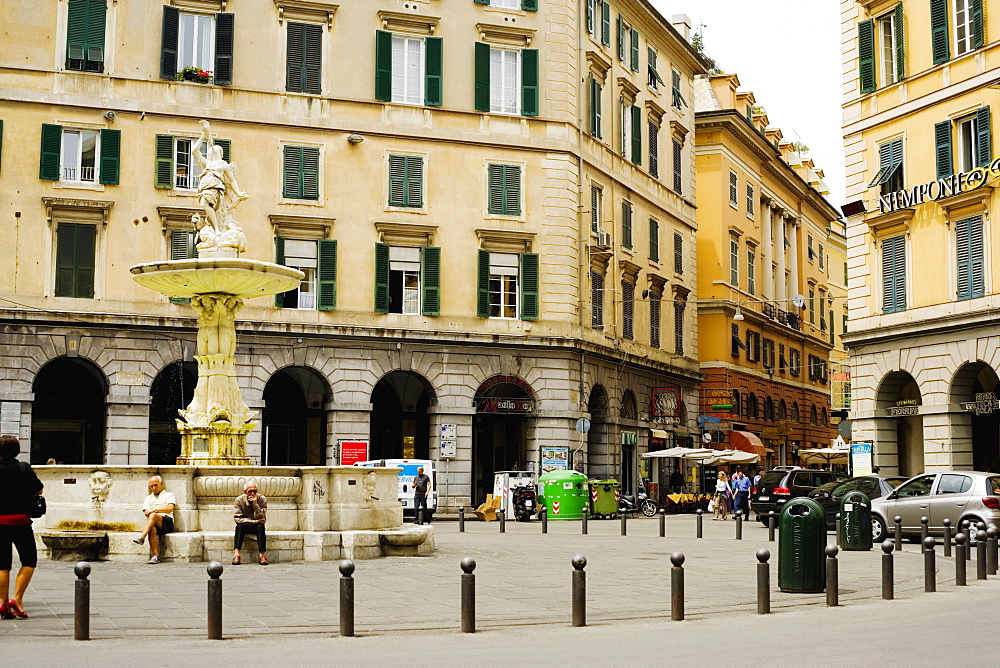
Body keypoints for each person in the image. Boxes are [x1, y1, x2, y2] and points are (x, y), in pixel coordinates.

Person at [0, 436, 43, 619]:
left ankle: (2, 603)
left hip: (0, 523)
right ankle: (16, 599)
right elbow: (39, 489)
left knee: (2, 564)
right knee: (29, 560)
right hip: (21, 522)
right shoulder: (23, 468)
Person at [133, 475, 175, 564]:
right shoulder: (148, 498)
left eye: (155, 485)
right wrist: (149, 511)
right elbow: (146, 511)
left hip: (166, 521)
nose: (153, 488)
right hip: (154, 522)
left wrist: (155, 510)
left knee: (153, 515)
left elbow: (170, 508)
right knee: (151, 528)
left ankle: (142, 537)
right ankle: (155, 556)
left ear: (161, 484)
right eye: (151, 486)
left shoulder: (168, 495)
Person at [232, 480, 268, 566]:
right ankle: (236, 554)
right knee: (239, 527)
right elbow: (237, 518)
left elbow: (261, 518)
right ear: (245, 492)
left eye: (254, 491)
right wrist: (254, 521)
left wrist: (255, 505)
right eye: (250, 491)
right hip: (245, 525)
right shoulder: (239, 500)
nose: (252, 494)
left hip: (256, 526)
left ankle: (262, 555)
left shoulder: (262, 499)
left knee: (260, 527)